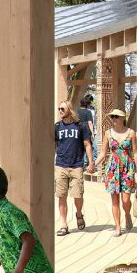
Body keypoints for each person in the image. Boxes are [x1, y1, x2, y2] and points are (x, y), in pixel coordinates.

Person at [95, 108, 137, 237]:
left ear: (123, 118)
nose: (114, 119)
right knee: (115, 200)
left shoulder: (131, 133)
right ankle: (118, 227)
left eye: (116, 116)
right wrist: (93, 164)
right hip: (112, 168)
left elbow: (135, 152)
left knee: (126, 200)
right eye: (112, 117)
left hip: (127, 168)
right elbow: (103, 153)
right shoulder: (108, 133)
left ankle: (127, 214)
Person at [54, 100, 95, 235]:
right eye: (59, 109)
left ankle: (78, 213)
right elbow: (53, 145)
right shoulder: (57, 127)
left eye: (62, 109)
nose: (60, 111)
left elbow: (87, 145)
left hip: (77, 165)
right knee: (61, 196)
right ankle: (63, 224)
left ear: (69, 110)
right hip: (61, 165)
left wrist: (91, 162)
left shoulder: (80, 126)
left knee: (78, 195)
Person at [79, 94, 97, 165]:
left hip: (79, 130)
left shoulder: (77, 111)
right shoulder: (88, 112)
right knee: (88, 146)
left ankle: (84, 163)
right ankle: (90, 163)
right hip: (87, 130)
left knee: (83, 147)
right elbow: (90, 123)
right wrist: (92, 133)